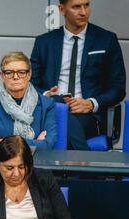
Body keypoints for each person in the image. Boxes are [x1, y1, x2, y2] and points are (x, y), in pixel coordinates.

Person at [30, 0, 126, 150]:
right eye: (76, 7)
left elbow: (118, 88)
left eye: (86, 5)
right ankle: (87, 170)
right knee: (58, 110)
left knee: (61, 123)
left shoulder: (107, 40)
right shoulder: (44, 42)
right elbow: (30, 85)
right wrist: (47, 94)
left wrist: (90, 103)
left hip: (88, 116)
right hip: (51, 108)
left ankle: (55, 172)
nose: (83, 12)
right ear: (62, 9)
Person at [0, 52, 57, 149]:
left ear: (29, 75)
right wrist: (35, 142)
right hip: (1, 160)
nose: (15, 77)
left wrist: (3, 141)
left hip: (36, 160)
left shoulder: (47, 104)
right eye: (9, 73)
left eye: (21, 72)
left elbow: (47, 144)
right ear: (2, 76)